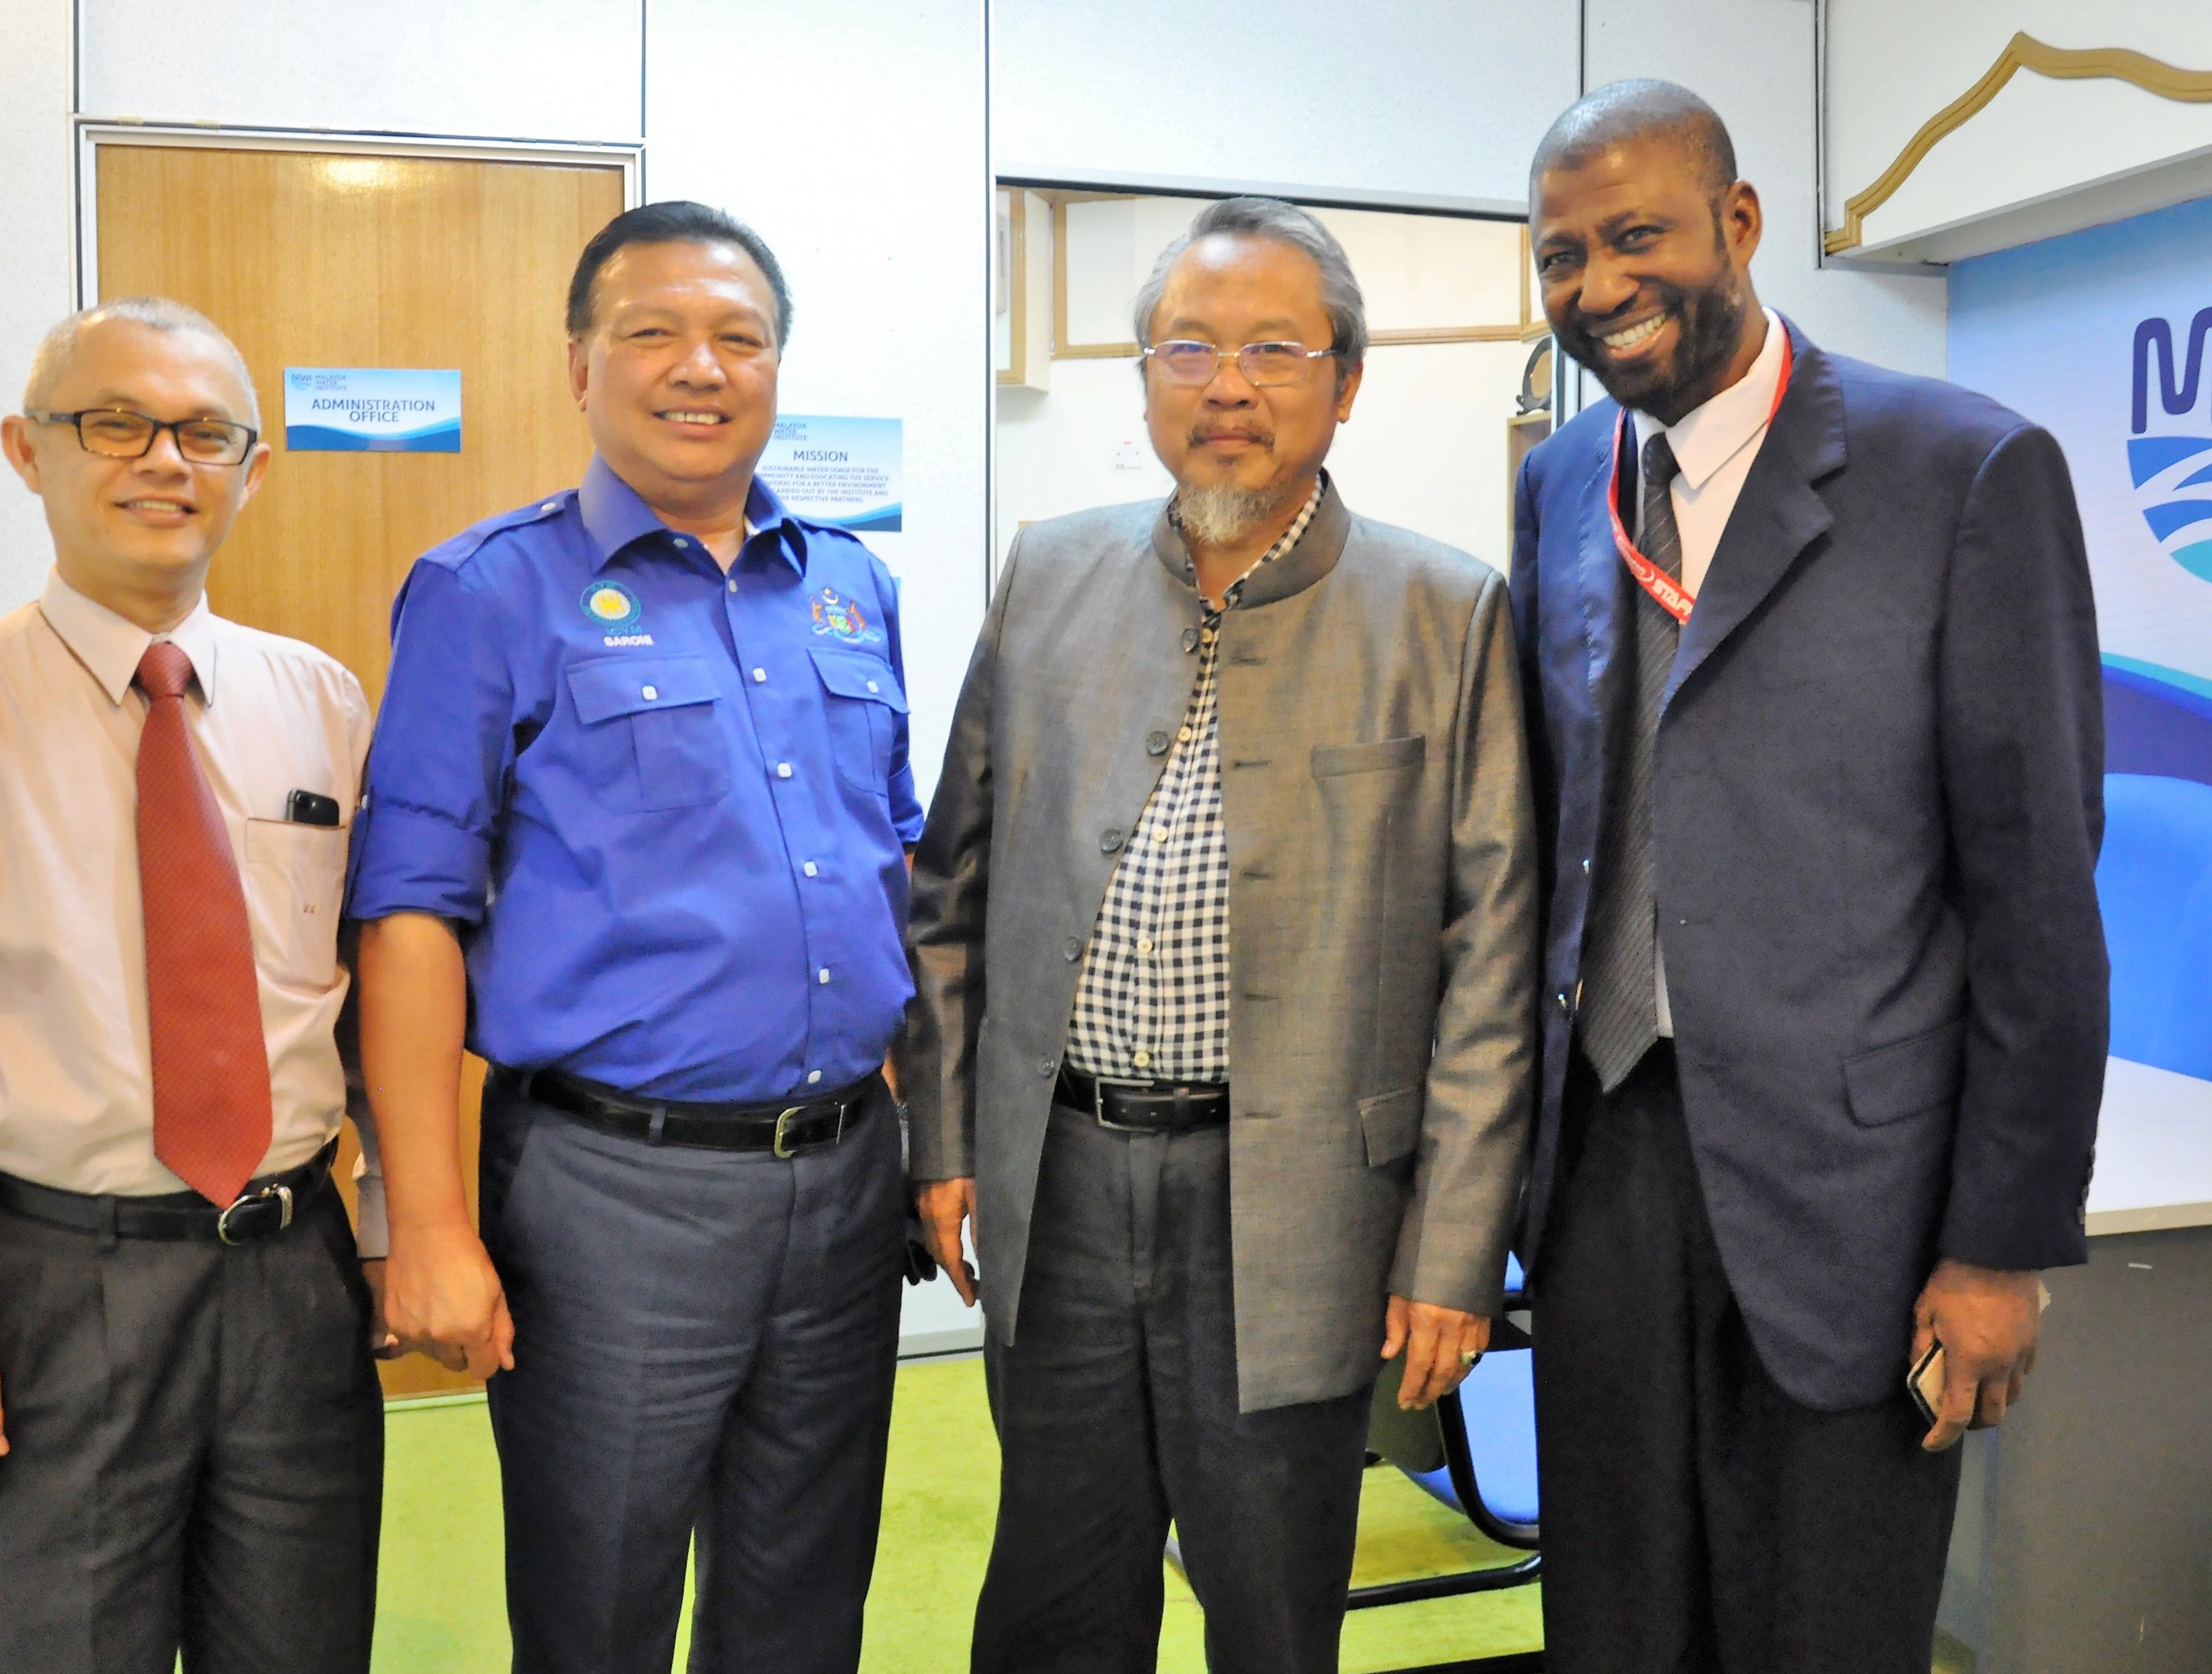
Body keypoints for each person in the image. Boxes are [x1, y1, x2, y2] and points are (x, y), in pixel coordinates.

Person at [1514, 82, 2106, 1673]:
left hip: (1861, 1202)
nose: (1599, 284)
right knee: (1615, 1631)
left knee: (1826, 1634)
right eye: (1562, 254)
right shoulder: (1564, 483)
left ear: (1741, 223)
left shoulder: (1963, 469)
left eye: (1637, 236)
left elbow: (2039, 894)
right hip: (1606, 1174)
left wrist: (2000, 1244)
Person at [903, 196, 1539, 1674]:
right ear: (1144, 379)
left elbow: (1494, 969)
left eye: (1273, 350)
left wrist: (1455, 1250)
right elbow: (951, 887)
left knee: (1270, 1606)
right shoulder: (1048, 575)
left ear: (1346, 380)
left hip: (1297, 1204)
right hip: (1062, 1177)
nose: (1227, 387)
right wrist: (944, 1134)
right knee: (1053, 1595)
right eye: (1188, 348)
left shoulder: (1444, 614)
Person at [348, 201, 921, 1674]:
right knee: (598, 1607)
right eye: (652, 332)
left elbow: (892, 863)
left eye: (740, 336)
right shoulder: (489, 590)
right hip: (613, 1195)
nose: (700, 366)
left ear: (777, 364)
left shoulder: (852, 585)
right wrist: (427, 1222)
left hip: (845, 1178)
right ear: (580, 366)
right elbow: (407, 916)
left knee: (807, 1602)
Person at [0, 297, 386, 1673]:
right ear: (29, 450)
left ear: (253, 469)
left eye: (204, 433)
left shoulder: (322, 702)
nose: (164, 459)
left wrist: (380, 1230)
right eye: (115, 422)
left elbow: (358, 1001)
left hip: (291, 1279)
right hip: (50, 1286)